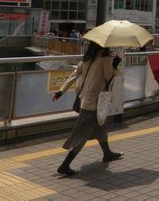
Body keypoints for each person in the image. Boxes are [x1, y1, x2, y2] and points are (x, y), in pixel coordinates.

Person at [51, 41, 123, 176]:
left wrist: (60, 92)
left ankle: (107, 153)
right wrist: (115, 63)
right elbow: (108, 77)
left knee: (100, 127)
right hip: (95, 102)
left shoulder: (87, 57)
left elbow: (74, 74)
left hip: (85, 99)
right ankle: (65, 165)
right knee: (82, 134)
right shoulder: (105, 57)